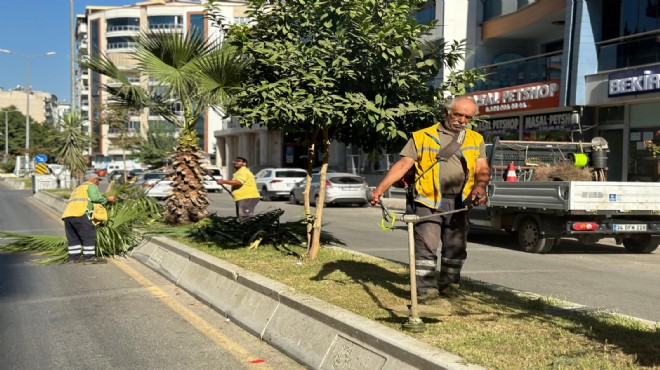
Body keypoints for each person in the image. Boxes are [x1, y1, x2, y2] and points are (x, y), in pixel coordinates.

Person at [371, 96, 490, 299]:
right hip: (427, 200)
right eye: (458, 115)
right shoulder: (422, 136)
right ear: (446, 112)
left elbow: (482, 168)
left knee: (456, 248)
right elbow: (402, 165)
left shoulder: (475, 139)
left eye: (467, 117)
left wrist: (480, 187)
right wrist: (379, 189)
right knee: (426, 248)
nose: (462, 120)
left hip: (460, 203)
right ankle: (426, 291)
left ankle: (450, 288)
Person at [61, 172, 116, 264]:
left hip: (68, 215)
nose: (98, 183)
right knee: (89, 235)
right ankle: (89, 258)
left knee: (73, 237)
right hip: (80, 214)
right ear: (94, 179)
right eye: (98, 180)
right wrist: (108, 199)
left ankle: (73, 258)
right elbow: (94, 198)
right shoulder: (91, 185)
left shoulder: (78, 188)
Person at [217, 156, 260, 221]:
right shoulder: (239, 172)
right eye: (235, 161)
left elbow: (239, 182)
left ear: (244, 163)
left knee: (245, 217)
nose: (236, 162)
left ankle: (247, 230)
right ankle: (244, 229)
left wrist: (224, 181)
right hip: (243, 197)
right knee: (242, 216)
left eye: (238, 161)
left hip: (247, 197)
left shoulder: (243, 171)